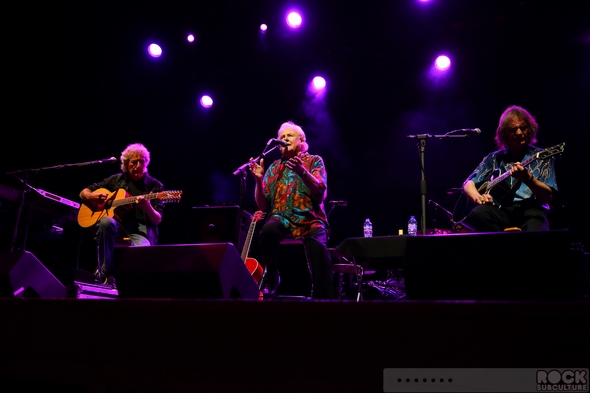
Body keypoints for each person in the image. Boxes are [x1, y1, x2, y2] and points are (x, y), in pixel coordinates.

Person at [249, 121, 334, 299]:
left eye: (289, 135)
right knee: (267, 231)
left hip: (310, 218)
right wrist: (258, 179)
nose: (284, 139)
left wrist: (302, 171)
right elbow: (263, 205)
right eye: (281, 137)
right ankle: (273, 277)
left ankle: (323, 298)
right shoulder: (274, 168)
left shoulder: (314, 161)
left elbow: (320, 192)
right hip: (281, 217)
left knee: (318, 245)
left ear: (301, 141)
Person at [79, 143, 164, 287]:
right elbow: (84, 192)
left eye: (141, 162)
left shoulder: (155, 186)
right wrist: (91, 197)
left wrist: (147, 206)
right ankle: (106, 273)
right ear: (126, 163)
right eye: (134, 162)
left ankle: (134, 287)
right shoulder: (117, 180)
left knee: (143, 253)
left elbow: (157, 220)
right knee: (106, 222)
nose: (138, 165)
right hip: (117, 225)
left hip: (139, 229)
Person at [462, 105, 558, 232]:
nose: (519, 133)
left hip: (532, 212)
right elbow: (468, 184)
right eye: (513, 129)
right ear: (504, 133)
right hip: (501, 212)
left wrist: (528, 179)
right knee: (478, 214)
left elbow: (548, 197)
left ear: (529, 129)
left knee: (539, 230)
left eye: (523, 128)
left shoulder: (543, 157)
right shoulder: (493, 159)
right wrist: (478, 198)